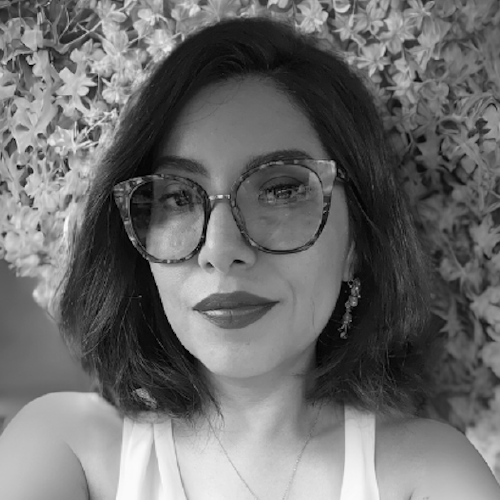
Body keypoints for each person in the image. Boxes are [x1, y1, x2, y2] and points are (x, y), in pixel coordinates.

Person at [0, 15, 499, 500]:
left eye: (281, 190)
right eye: (178, 196)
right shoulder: (65, 447)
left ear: (357, 245)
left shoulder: (429, 470)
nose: (220, 251)